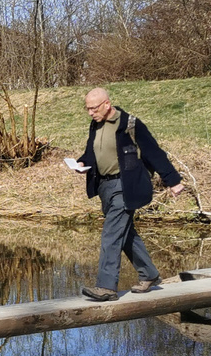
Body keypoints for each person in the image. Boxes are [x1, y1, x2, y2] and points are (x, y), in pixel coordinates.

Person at [74, 87, 184, 301]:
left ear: (107, 104)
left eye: (93, 108)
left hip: (125, 186)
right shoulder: (95, 125)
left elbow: (154, 152)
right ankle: (149, 273)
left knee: (111, 233)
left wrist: (173, 180)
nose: (90, 113)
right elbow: (92, 151)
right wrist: (82, 162)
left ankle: (106, 287)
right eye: (87, 109)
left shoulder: (130, 125)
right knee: (125, 234)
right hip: (105, 187)